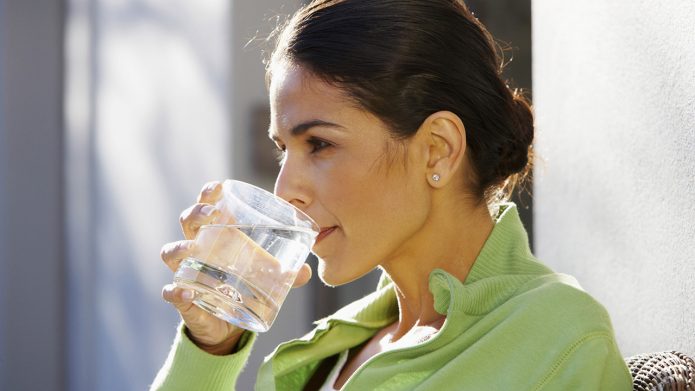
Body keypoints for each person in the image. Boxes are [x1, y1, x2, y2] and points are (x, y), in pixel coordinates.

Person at [151, 0, 633, 389]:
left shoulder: (558, 338)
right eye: (284, 150)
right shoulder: (334, 349)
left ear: (437, 151)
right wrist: (210, 346)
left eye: (319, 144)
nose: (284, 190)